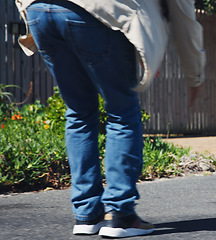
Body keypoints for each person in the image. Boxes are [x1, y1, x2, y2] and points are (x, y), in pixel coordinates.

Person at [15, 0, 205, 238]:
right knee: (122, 112)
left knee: (79, 112)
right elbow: (183, 11)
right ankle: (121, 215)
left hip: (40, 9)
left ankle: (87, 213)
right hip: (95, 10)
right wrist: (195, 73)